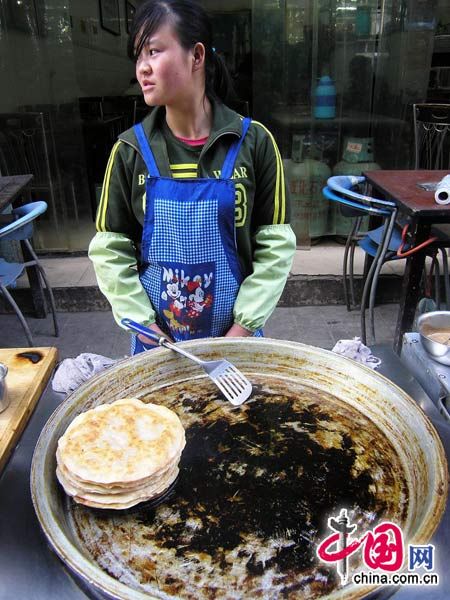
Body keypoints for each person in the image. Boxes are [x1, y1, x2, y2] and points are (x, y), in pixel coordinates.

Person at [88, 0, 296, 355]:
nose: (143, 69)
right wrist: (147, 329)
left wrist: (239, 332)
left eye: (153, 51)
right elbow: (111, 250)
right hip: (157, 347)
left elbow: (275, 248)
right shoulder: (129, 152)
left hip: (238, 343)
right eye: (138, 57)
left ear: (196, 56)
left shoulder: (254, 143)